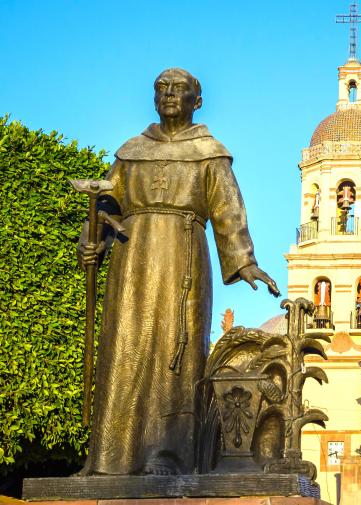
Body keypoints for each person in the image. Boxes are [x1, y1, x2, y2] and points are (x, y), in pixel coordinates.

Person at [78, 68, 279, 475]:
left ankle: (166, 457)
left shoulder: (209, 151)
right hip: (130, 259)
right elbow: (105, 203)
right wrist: (90, 239)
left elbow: (227, 209)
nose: (170, 95)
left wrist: (244, 260)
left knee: (175, 353)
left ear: (196, 101)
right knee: (123, 349)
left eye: (180, 89)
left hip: (181, 258)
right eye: (162, 89)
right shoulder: (131, 150)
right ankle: (108, 459)